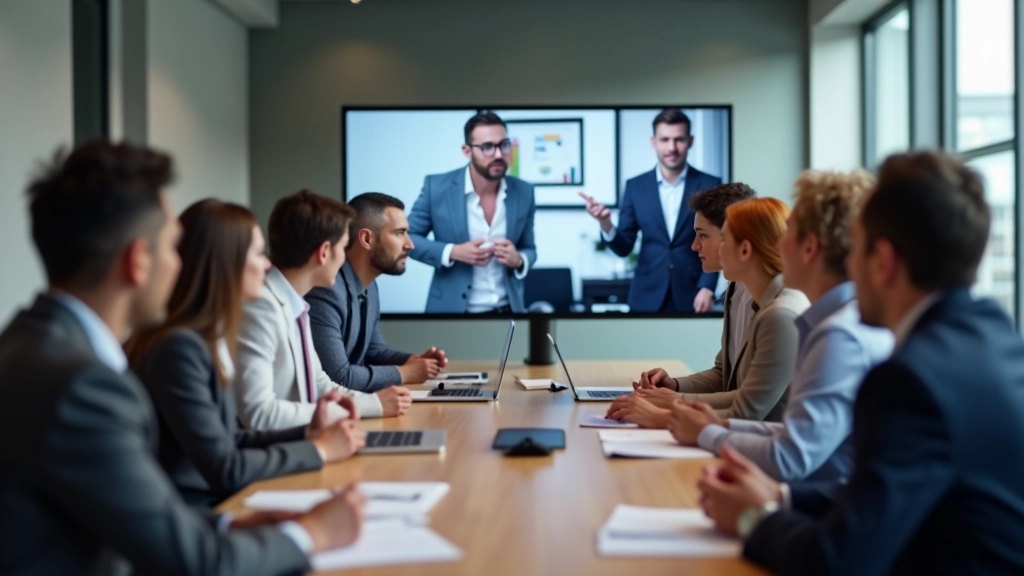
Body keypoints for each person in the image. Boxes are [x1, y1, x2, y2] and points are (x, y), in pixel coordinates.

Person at [0, 141, 365, 575]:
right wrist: (311, 533)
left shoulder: (26, 344)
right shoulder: (84, 387)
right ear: (138, 261)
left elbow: (123, 513)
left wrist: (227, 523)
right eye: (174, 248)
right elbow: (197, 563)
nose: (181, 264)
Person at [698, 151, 1024, 575]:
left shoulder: (909, 380)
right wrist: (783, 499)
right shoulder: (995, 336)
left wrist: (754, 518)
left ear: (882, 262)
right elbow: (877, 493)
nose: (846, 265)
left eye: (855, 249)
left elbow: (838, 562)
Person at [126, 199, 367, 508]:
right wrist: (320, 450)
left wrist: (309, 434)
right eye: (257, 253)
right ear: (225, 263)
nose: (267, 265)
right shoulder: (179, 348)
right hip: (198, 511)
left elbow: (231, 437)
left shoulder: (206, 338)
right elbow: (226, 468)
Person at [666, 170, 893, 483]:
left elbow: (791, 457)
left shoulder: (838, 335)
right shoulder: (833, 322)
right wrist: (709, 424)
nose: (776, 243)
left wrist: (705, 431)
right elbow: (790, 433)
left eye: (787, 233)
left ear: (809, 247)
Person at [608, 198, 809, 427]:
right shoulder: (757, 299)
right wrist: (674, 390)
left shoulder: (781, 314)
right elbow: (726, 378)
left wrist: (670, 406)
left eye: (724, 239)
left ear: (745, 249)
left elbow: (746, 410)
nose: (716, 249)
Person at [234, 190, 411, 430]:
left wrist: (375, 403)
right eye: (344, 246)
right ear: (324, 252)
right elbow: (259, 415)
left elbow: (319, 383)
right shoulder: (262, 308)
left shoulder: (297, 306)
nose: (346, 260)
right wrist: (364, 407)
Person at [580, 108, 721, 313]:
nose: (672, 147)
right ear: (653, 142)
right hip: (645, 297)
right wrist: (606, 223)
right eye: (665, 139)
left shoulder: (711, 185)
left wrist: (708, 286)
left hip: (693, 295)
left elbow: (717, 241)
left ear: (690, 141)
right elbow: (624, 247)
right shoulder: (635, 187)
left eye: (679, 139)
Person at [308, 192, 449, 392]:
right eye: (399, 233)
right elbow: (338, 377)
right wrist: (406, 373)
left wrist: (415, 361)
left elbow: (375, 352)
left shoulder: (370, 287)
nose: (410, 244)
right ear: (367, 238)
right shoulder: (326, 290)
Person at [407, 111, 537, 313]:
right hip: (452, 312)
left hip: (509, 311)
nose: (498, 154)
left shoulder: (524, 191)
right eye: (487, 147)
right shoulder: (437, 187)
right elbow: (407, 238)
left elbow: (529, 248)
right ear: (467, 151)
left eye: (503, 145)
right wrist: (452, 252)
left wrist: (519, 260)